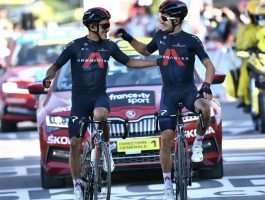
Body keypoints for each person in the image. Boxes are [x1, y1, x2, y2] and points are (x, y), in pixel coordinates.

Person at [43, 7, 158, 200]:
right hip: (79, 99)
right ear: (91, 26)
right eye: (104, 25)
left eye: (108, 24)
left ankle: (106, 149)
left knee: (100, 115)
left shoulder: (109, 46)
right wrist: (48, 78)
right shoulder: (74, 45)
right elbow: (55, 66)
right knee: (74, 143)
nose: (107, 28)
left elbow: (130, 62)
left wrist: (157, 62)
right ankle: (77, 185)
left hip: (99, 96)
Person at [114, 0, 215, 199]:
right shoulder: (160, 36)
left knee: (205, 109)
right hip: (168, 94)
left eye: (163, 17)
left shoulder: (192, 40)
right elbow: (144, 51)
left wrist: (206, 85)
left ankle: (197, 144)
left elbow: (209, 67)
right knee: (166, 139)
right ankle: (167, 184)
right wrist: (127, 37)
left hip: (188, 92)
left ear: (176, 20)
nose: (160, 21)